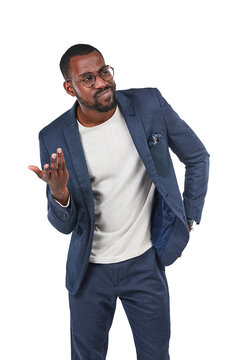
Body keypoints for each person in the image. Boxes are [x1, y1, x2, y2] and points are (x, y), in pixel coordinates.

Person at [28, 44, 209, 360]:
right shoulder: (53, 136)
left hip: (145, 263)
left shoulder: (149, 104)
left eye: (103, 71)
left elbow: (197, 157)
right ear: (70, 88)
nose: (101, 82)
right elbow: (64, 225)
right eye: (87, 78)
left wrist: (189, 217)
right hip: (89, 272)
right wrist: (60, 194)